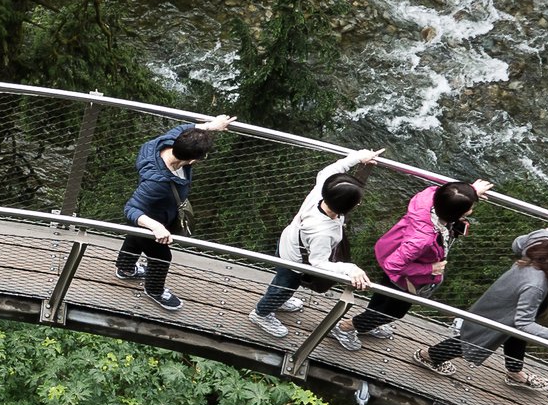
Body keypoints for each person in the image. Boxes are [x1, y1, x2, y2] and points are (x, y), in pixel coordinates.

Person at [423, 212, 548, 388]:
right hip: (502, 312)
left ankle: (515, 372)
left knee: (516, 336)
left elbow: (517, 244)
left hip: (505, 300)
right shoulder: (536, 285)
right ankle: (428, 356)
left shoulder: (542, 244)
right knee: (473, 340)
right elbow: (523, 322)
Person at [248, 149, 382, 343]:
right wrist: (350, 268)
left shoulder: (323, 190)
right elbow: (318, 262)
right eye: (357, 202)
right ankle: (261, 314)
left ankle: (279, 299)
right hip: (294, 261)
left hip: (289, 241)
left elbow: (334, 169)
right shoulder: (323, 232)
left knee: (282, 284)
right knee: (284, 286)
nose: (359, 203)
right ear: (347, 208)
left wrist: (358, 158)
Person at [349, 174, 491, 343]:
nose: (471, 210)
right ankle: (347, 327)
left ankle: (365, 325)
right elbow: (393, 265)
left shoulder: (428, 197)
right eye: (469, 208)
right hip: (403, 275)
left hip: (393, 248)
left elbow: (444, 191)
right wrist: (430, 269)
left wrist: (470, 191)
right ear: (455, 215)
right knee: (393, 312)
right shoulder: (422, 240)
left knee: (381, 300)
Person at [116, 116, 235, 312]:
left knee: (134, 238)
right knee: (162, 256)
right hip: (150, 220)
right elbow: (131, 209)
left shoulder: (170, 142)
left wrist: (210, 126)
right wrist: (156, 227)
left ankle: (125, 268)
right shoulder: (157, 183)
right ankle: (154, 290)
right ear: (192, 160)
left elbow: (183, 128)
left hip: (156, 210)